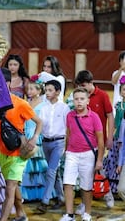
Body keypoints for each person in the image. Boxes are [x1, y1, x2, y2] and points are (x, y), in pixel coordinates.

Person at [0, 68, 42, 221]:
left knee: (9, 189)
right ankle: (21, 213)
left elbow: (39, 122)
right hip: (2, 152)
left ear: (8, 84)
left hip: (18, 154)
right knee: (12, 187)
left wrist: (34, 137)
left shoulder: (20, 103)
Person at [59, 88, 104, 221]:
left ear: (87, 101)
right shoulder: (70, 116)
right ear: (73, 100)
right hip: (72, 154)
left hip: (88, 154)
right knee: (68, 183)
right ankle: (69, 214)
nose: (79, 102)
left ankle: (87, 213)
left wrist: (99, 160)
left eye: (82, 99)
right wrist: (66, 151)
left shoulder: (94, 117)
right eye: (76, 99)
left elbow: (100, 141)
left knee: (86, 186)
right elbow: (68, 133)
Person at [74, 70, 115, 211]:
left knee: (100, 170)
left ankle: (108, 194)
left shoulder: (102, 95)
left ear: (91, 82)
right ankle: (84, 203)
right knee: (84, 174)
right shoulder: (80, 98)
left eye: (84, 85)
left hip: (99, 142)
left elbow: (110, 116)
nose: (82, 88)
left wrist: (110, 137)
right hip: (83, 143)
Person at [35, 80, 70, 214]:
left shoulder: (64, 108)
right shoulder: (43, 107)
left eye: (50, 90)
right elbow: (41, 124)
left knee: (50, 172)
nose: (47, 93)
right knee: (54, 173)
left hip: (58, 142)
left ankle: (45, 201)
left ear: (58, 92)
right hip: (46, 142)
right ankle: (61, 198)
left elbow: (68, 128)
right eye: (46, 90)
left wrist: (67, 145)